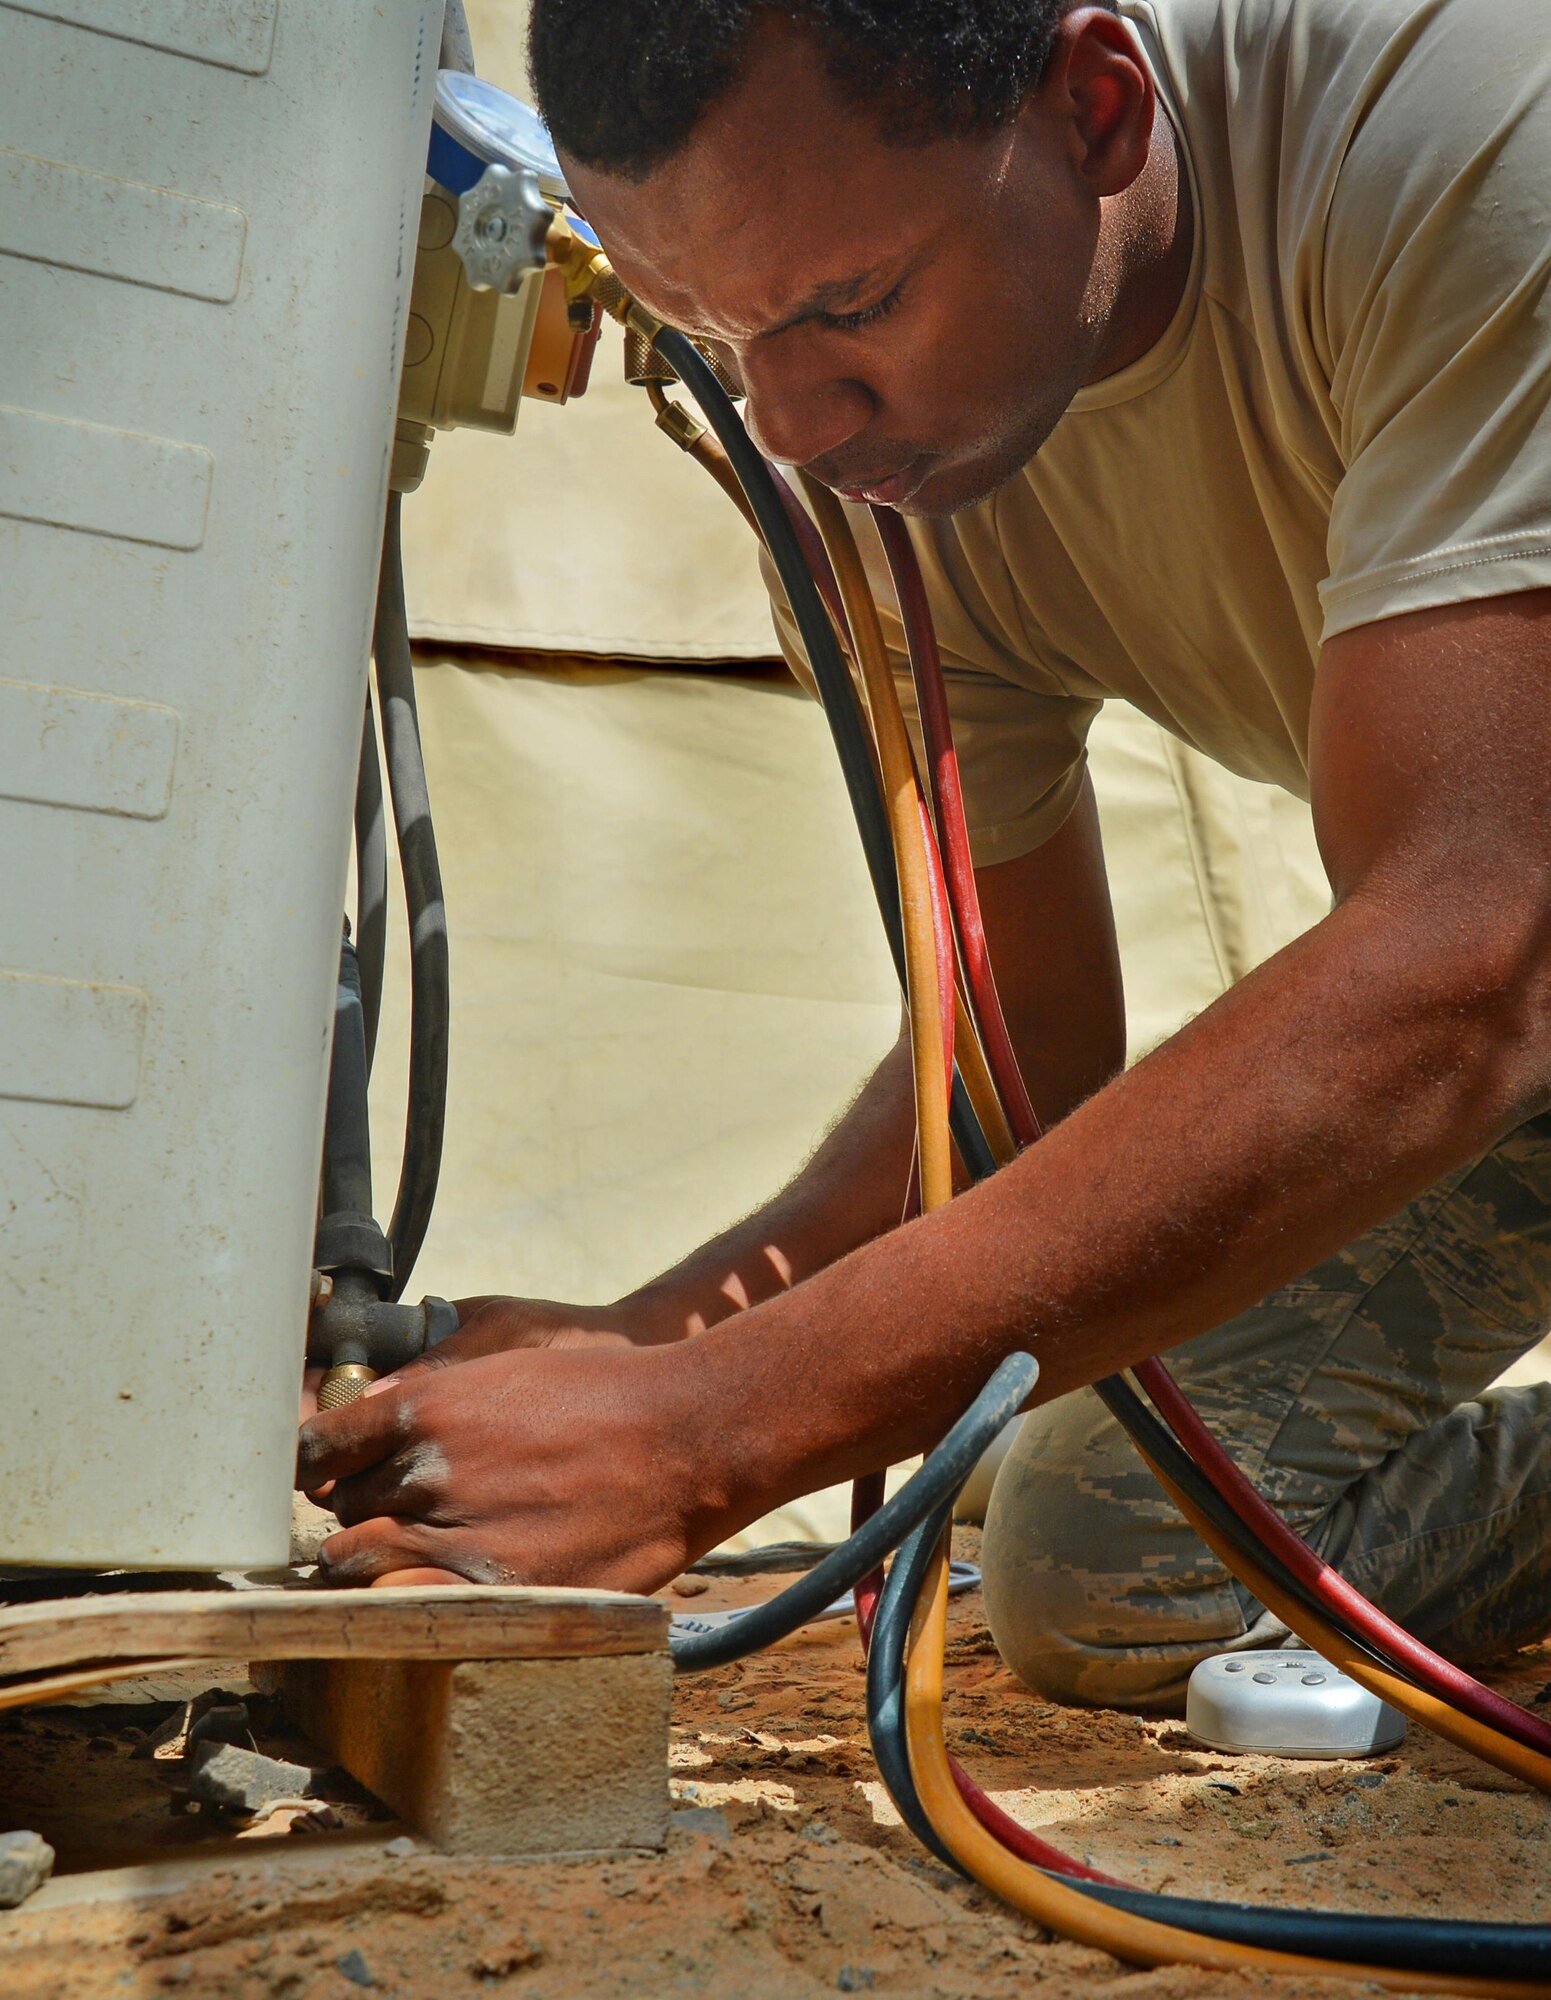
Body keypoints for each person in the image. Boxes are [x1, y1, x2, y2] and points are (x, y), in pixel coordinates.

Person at [297, 0, 1551, 1709]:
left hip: (1507, 979)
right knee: (1122, 1560)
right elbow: (1011, 1049)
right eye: (715, 331)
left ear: (1097, 111)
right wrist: (648, 1353)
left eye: (850, 305)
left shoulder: (1462, 127)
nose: (794, 421)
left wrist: (705, 1431)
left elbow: (1471, 950)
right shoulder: (887, 472)